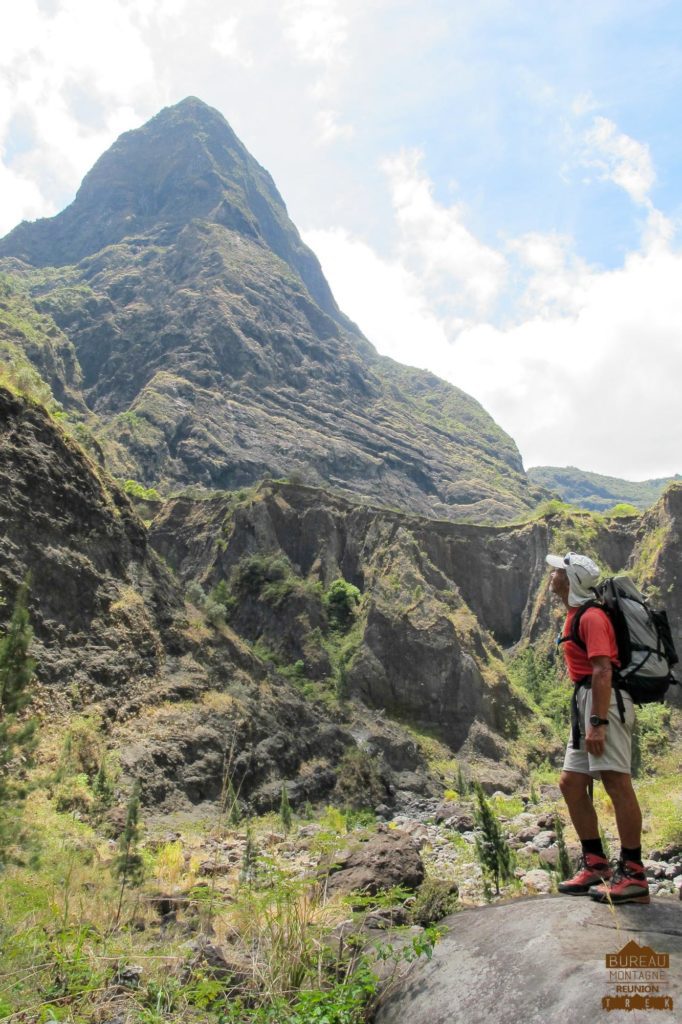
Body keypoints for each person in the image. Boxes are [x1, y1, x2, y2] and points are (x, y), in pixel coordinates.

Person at [546, 551, 650, 905]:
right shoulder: (576, 613)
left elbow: (603, 669)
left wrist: (598, 722)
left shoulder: (591, 617)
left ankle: (634, 874)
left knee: (615, 782)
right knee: (572, 782)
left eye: (558, 570)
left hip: (604, 702)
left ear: (571, 580)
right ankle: (596, 864)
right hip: (586, 701)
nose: (552, 573)